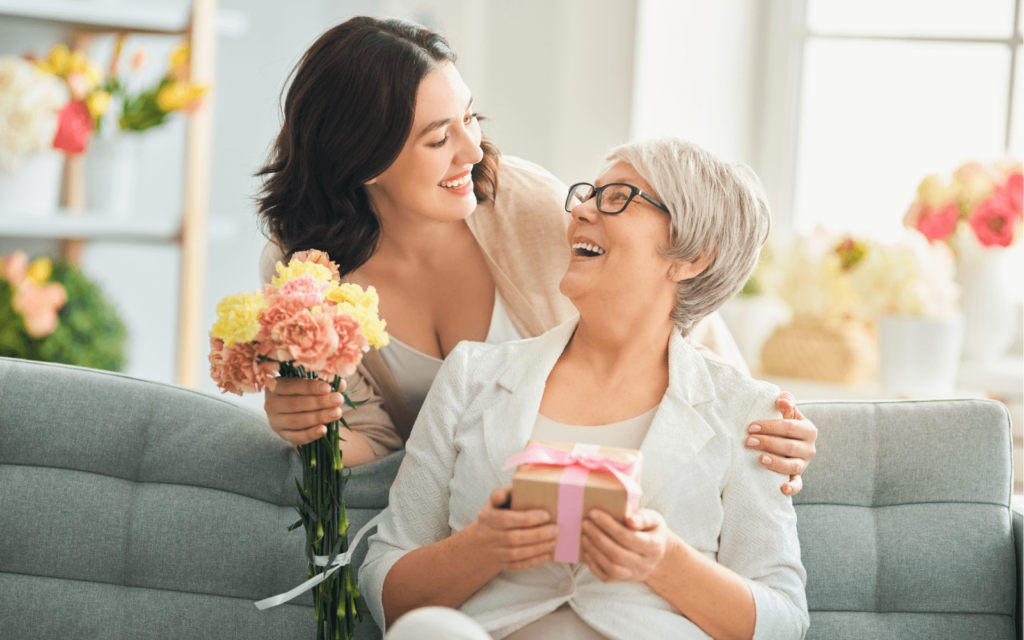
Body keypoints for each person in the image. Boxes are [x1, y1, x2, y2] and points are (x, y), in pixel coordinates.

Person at [255, 17, 817, 493]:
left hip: (603, 482)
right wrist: (309, 425)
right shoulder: (303, 274)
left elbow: (671, 306)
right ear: (364, 161)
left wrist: (758, 427)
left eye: (469, 118)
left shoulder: (525, 204)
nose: (472, 150)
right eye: (437, 138)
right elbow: (378, 443)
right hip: (471, 506)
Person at [361, 138, 808, 639]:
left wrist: (665, 562)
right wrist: (482, 547)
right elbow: (388, 589)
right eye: (586, 194)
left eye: (618, 197)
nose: (581, 210)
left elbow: (784, 622)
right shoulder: (472, 375)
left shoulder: (748, 410)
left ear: (692, 257)